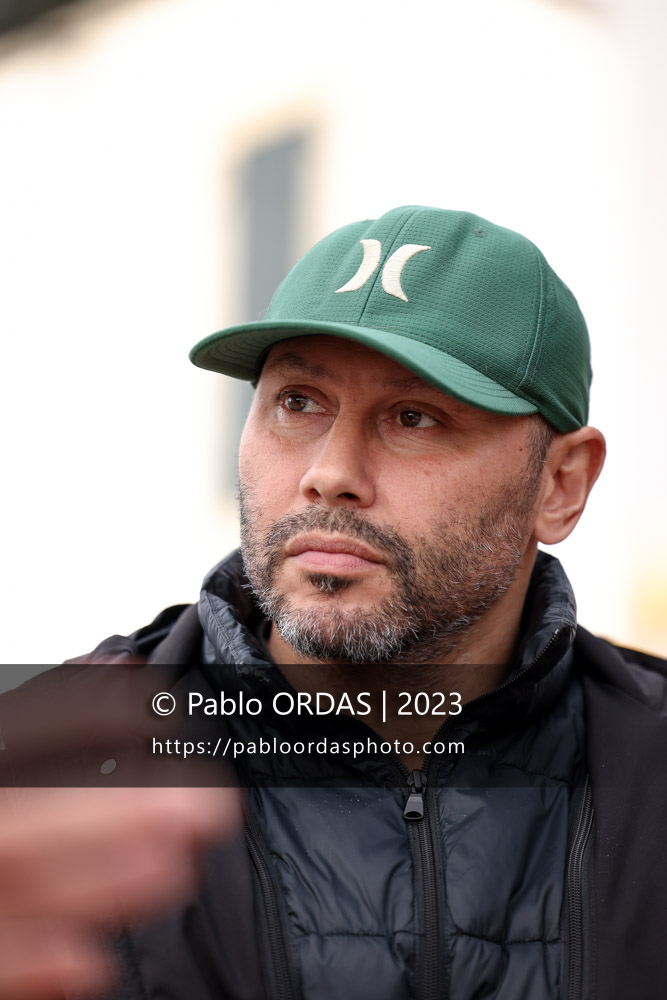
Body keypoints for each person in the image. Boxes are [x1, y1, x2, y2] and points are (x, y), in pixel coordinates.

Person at [4, 206, 667, 1000]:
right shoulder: (43, 781)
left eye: (413, 417)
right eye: (297, 402)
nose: (329, 471)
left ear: (559, 484)